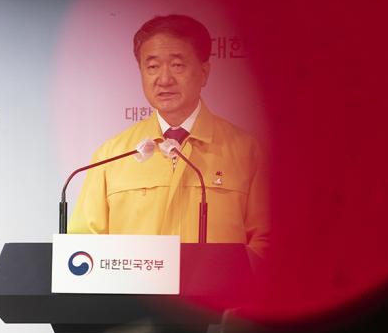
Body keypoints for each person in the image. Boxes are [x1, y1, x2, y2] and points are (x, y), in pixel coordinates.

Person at [68, 15, 269, 257]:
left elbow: (266, 242)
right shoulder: (112, 155)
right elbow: (83, 246)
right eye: (152, 67)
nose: (164, 80)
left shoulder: (246, 152)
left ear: (204, 72)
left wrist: (226, 275)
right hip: (136, 283)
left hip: (216, 284)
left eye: (177, 65)